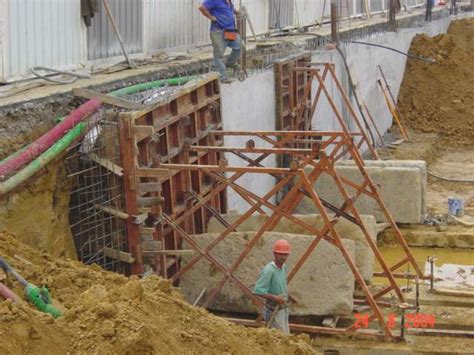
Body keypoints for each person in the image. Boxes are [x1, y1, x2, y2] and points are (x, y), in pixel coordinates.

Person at [253, 239, 291, 335]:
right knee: (279, 338)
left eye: (285, 254)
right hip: (273, 310)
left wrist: (287, 295)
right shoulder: (269, 270)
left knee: (286, 336)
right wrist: (275, 298)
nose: (283, 257)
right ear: (275, 254)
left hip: (283, 308)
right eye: (280, 254)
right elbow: (258, 290)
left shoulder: (284, 267)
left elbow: (281, 284)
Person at [198, 0, 241, 83]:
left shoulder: (229, 2)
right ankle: (223, 77)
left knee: (240, 46)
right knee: (218, 55)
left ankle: (231, 63)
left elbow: (229, 10)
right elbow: (202, 7)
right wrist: (211, 17)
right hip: (218, 32)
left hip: (230, 31)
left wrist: (236, 12)